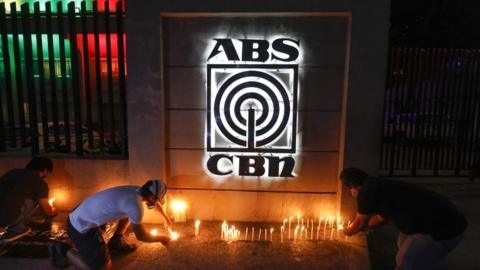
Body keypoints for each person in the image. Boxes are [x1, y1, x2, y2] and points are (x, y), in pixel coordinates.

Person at [340, 167, 468, 270]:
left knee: (407, 259)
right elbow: (381, 218)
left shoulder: (367, 190)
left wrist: (347, 230)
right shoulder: (378, 185)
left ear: (352, 185)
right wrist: (364, 227)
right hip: (442, 224)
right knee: (403, 245)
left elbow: (359, 224)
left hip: (440, 230)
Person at [49, 179, 173, 269]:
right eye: (157, 199)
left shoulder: (136, 190)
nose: (157, 202)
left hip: (80, 212)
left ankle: (116, 241)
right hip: (80, 227)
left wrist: (165, 218)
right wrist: (162, 239)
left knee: (130, 213)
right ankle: (63, 250)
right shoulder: (136, 206)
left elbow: (153, 204)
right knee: (103, 268)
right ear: (151, 197)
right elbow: (142, 236)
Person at [0, 157, 57, 243]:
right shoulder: (39, 182)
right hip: (5, 218)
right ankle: (18, 228)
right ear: (45, 170)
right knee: (32, 201)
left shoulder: (12, 173)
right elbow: (47, 211)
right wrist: (53, 212)